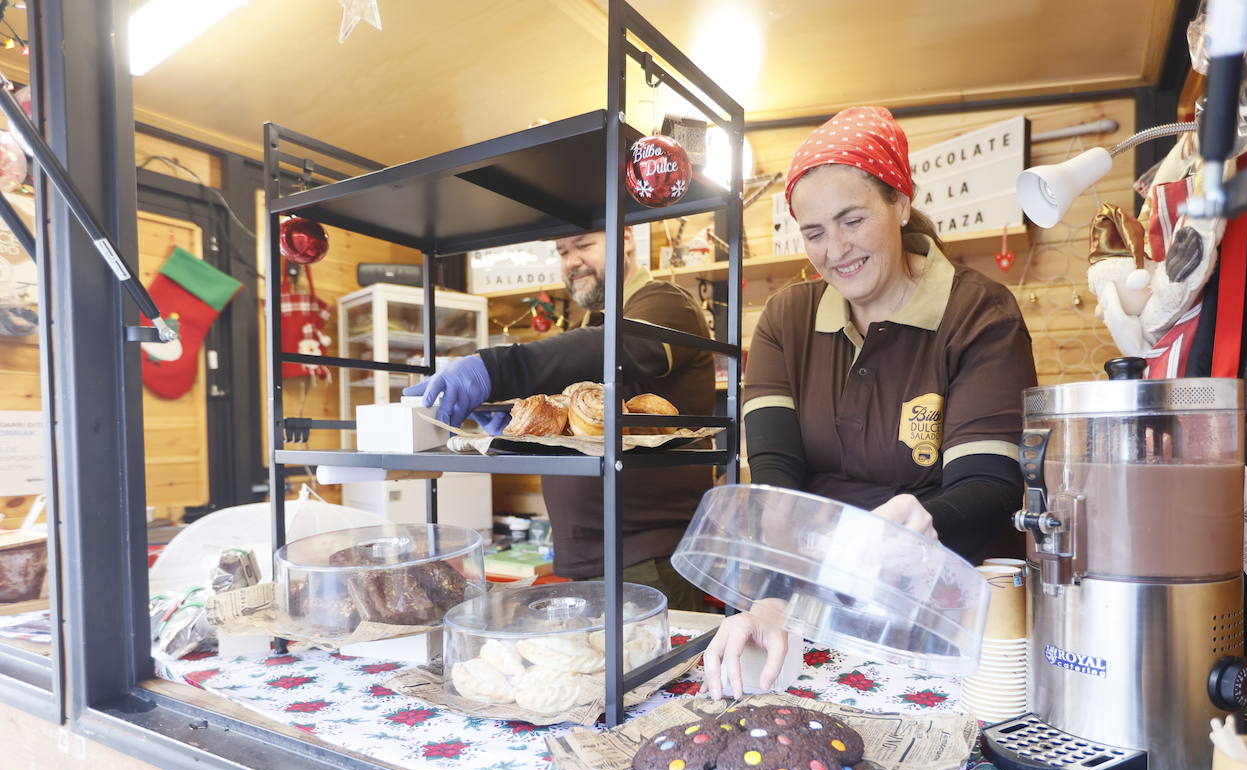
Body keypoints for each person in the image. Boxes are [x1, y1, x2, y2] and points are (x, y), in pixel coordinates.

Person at [704, 106, 1038, 698]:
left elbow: (989, 482)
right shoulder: (788, 318)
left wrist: (923, 521)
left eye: (852, 220)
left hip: (947, 616)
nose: (835, 250)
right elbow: (779, 479)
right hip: (818, 603)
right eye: (813, 232)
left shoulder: (979, 314)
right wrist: (770, 598)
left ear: (901, 204)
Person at [404, 228, 713, 610]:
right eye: (562, 251)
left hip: (647, 562)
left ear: (627, 239)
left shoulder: (666, 303)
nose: (572, 261)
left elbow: (626, 346)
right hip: (591, 562)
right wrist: (528, 435)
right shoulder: (587, 330)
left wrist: (497, 367)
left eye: (584, 245)